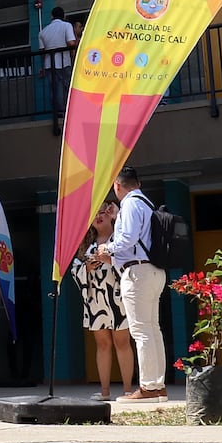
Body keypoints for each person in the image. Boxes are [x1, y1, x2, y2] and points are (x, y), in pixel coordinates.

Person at [95, 166, 167, 402]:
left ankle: (147, 387)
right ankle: (157, 385)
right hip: (154, 271)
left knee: (141, 331)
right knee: (153, 329)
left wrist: (108, 249)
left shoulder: (130, 204)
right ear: (139, 183)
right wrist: (117, 218)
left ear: (117, 185)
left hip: (137, 273)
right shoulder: (146, 203)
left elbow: (128, 239)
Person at [70, 199, 134, 401]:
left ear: (111, 214)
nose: (98, 216)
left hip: (118, 298)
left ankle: (127, 390)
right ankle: (105, 391)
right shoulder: (85, 245)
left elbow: (130, 265)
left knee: (122, 342)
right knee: (102, 344)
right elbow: (74, 269)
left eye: (103, 212)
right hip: (95, 300)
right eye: (94, 214)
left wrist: (109, 260)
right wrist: (86, 269)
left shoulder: (120, 240)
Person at [38, 7, 77, 132]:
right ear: (64, 16)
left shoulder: (43, 32)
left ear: (52, 16)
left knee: (54, 89)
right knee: (67, 87)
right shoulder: (66, 26)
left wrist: (43, 66)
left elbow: (42, 51)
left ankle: (58, 113)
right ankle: (68, 111)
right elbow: (71, 43)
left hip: (50, 64)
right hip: (64, 62)